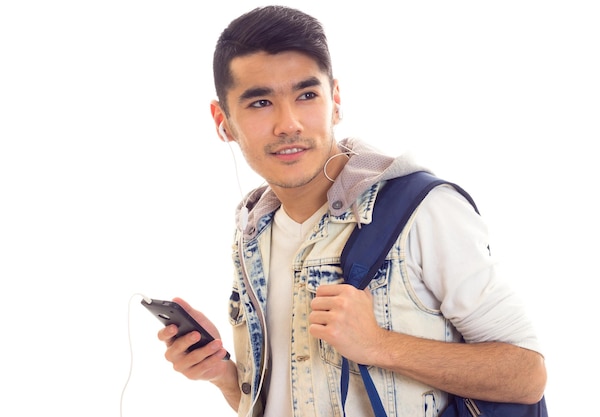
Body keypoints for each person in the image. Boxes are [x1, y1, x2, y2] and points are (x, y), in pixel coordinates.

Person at [157, 5, 547, 417]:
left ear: (335, 101)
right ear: (223, 122)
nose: (289, 124)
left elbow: (527, 375)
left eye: (307, 95)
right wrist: (223, 375)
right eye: (260, 103)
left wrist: (380, 345)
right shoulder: (254, 230)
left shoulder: (421, 211)